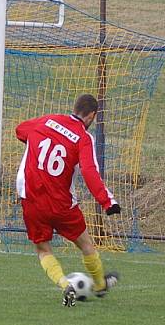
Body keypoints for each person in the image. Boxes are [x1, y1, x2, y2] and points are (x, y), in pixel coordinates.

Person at [15, 93, 121, 307]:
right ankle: (100, 285)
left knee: (43, 249)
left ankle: (65, 285)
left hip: (31, 198)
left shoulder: (47, 120)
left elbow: (20, 130)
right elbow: (90, 172)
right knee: (86, 244)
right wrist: (107, 202)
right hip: (61, 203)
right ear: (92, 116)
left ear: (74, 108)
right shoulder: (83, 138)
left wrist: (39, 138)